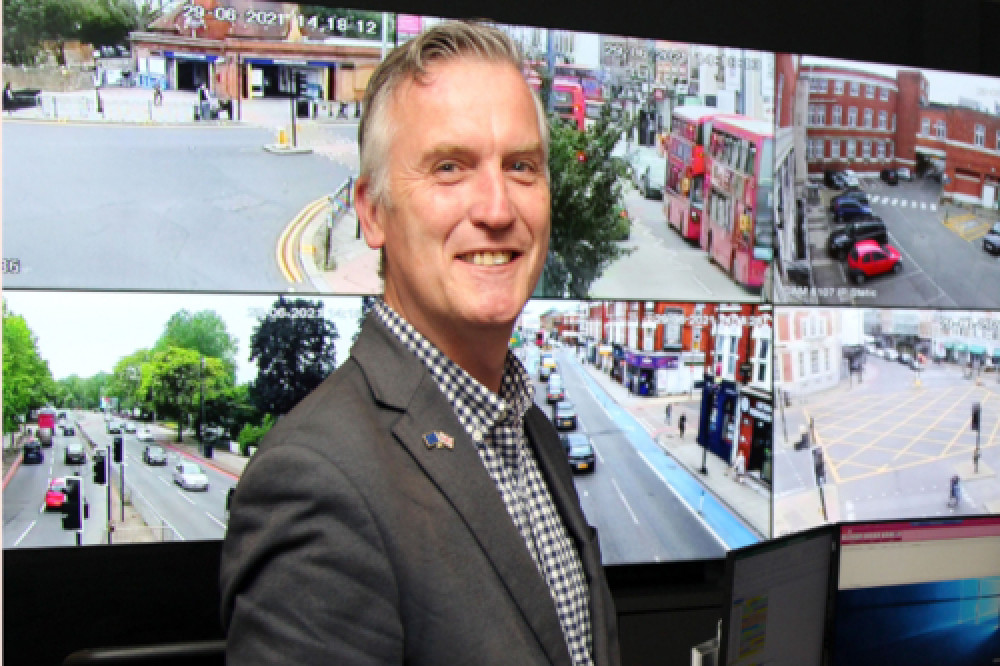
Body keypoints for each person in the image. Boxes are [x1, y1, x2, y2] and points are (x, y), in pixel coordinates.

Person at [220, 22, 620, 666]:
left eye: (521, 167)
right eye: (450, 168)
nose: (496, 208)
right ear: (372, 213)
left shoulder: (533, 432)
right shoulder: (316, 479)